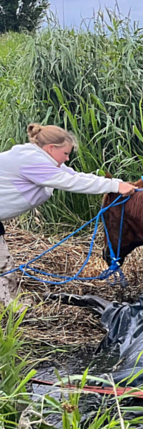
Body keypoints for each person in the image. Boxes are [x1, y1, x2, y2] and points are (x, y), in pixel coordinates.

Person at [0, 123, 135, 307]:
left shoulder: (39, 158)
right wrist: (115, 187)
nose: (67, 157)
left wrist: (118, 183)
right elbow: (70, 182)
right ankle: (13, 308)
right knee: (3, 263)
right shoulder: (32, 161)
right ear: (51, 148)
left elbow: (77, 176)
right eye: (65, 153)